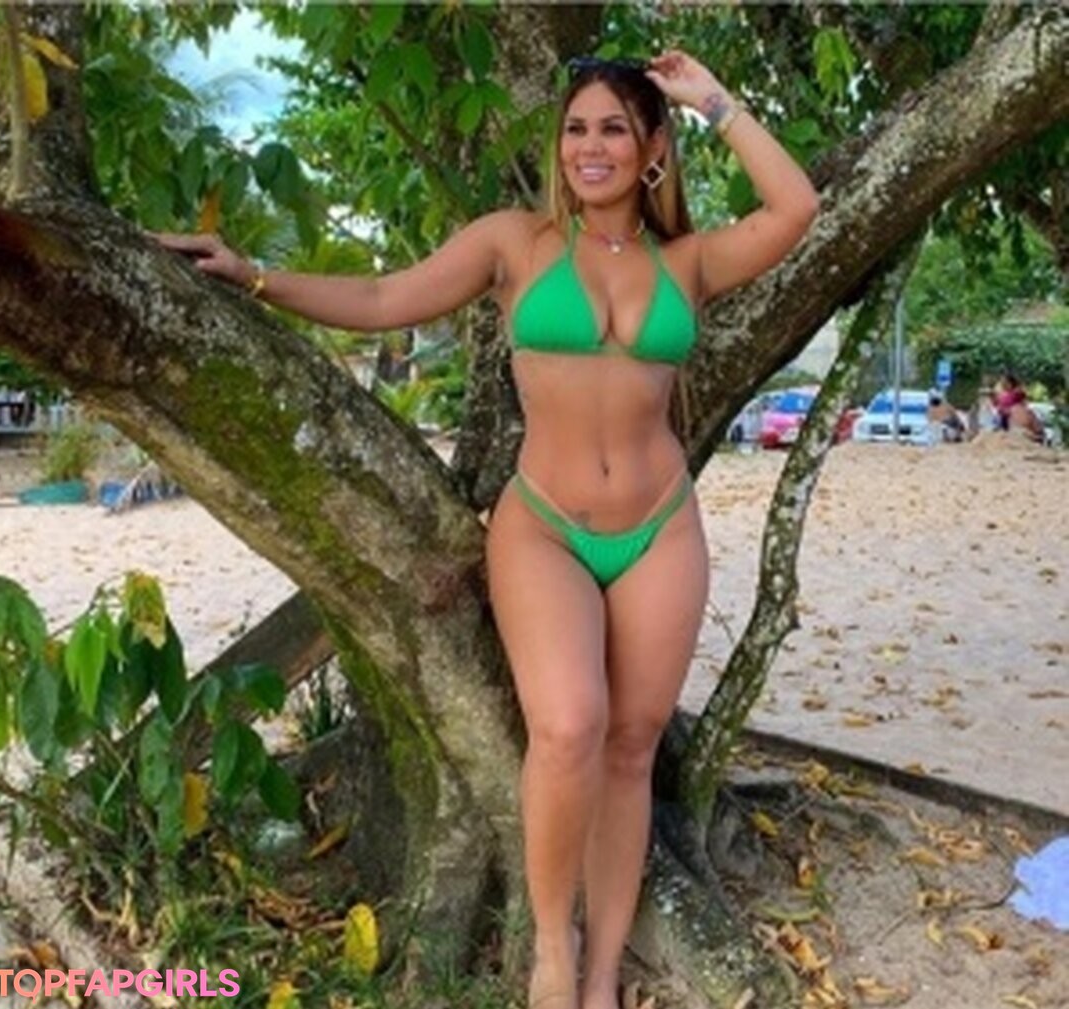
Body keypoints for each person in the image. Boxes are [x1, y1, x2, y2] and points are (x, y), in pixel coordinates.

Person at [156, 50, 818, 1009]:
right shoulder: (518, 243)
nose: (590, 147)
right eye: (576, 128)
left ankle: (602, 973)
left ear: (652, 150)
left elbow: (795, 208)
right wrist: (253, 275)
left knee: (631, 748)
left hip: (660, 529)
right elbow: (383, 299)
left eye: (614, 128)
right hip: (543, 526)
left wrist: (713, 98)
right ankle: (552, 947)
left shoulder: (689, 262)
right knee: (569, 726)